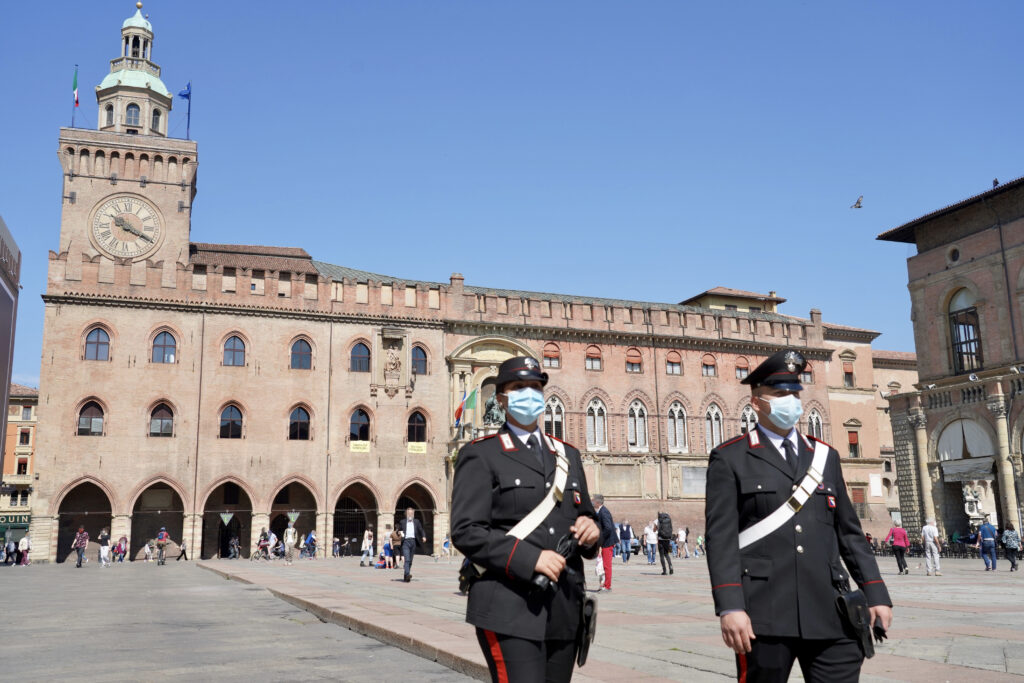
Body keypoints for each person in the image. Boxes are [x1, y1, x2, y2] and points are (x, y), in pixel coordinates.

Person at [706, 349, 892, 682]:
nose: (789, 401)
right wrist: (730, 606)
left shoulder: (825, 457)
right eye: (779, 394)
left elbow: (848, 533)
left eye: (794, 393)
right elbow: (720, 539)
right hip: (764, 613)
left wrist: (875, 592)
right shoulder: (730, 458)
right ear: (756, 403)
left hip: (831, 610)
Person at [451, 356, 601, 683]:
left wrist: (593, 532)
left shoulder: (567, 455)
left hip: (564, 607)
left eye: (535, 387)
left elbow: (585, 515)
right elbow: (466, 531)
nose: (529, 394)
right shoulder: (481, 453)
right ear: (501, 399)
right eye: (519, 387)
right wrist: (530, 558)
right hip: (508, 605)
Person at [593, 494, 615, 591]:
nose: (592, 502)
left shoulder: (604, 512)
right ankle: (605, 584)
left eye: (593, 501)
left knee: (607, 565)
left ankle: (607, 585)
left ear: (597, 502)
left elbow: (608, 528)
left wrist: (601, 538)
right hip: (606, 542)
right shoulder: (601, 511)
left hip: (608, 542)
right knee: (605, 564)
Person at [399, 507, 426, 582]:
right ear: (406, 514)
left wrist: (423, 536)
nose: (410, 514)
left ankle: (406, 576)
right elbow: (399, 530)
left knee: (410, 560)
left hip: (413, 542)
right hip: (405, 542)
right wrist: (399, 533)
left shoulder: (416, 521)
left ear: (413, 514)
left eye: (411, 513)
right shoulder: (403, 522)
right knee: (407, 559)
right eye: (409, 513)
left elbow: (421, 530)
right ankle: (407, 574)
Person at [655, 511, 674, 576]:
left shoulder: (657, 520)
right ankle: (670, 566)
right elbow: (671, 529)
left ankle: (664, 570)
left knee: (662, 555)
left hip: (661, 539)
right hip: (667, 539)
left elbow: (654, 530)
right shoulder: (669, 519)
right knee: (667, 554)